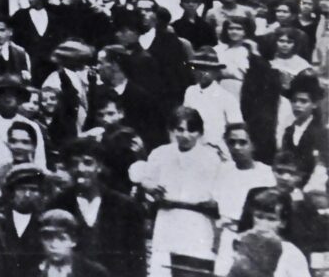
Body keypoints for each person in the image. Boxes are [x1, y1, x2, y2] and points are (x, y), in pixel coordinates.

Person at [130, 106, 222, 277]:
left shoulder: (211, 158)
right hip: (167, 219)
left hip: (198, 223)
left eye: (191, 130)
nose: (185, 135)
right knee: (163, 269)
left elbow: (217, 196)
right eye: (180, 129)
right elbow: (143, 177)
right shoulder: (161, 154)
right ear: (172, 130)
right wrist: (148, 185)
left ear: (200, 132)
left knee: (193, 269)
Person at [47, 138, 147, 277]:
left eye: (88, 163)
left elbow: (137, 262)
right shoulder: (58, 205)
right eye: (74, 163)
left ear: (99, 166)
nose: (81, 169)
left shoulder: (125, 207)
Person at [33, 209, 110, 277]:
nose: (54, 245)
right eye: (48, 238)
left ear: (73, 241)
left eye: (62, 238)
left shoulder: (94, 273)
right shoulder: (31, 272)